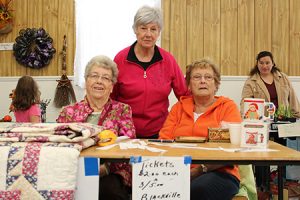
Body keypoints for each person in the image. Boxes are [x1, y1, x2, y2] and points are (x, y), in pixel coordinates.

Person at [159, 59, 241, 200]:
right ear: (189, 85)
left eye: (208, 77)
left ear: (216, 84)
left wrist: (199, 170)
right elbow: (164, 141)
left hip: (220, 173)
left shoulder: (227, 107)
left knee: (196, 189)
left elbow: (232, 150)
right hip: (177, 172)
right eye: (197, 77)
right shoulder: (178, 107)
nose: (202, 81)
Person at [56, 55, 136, 200]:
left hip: (111, 171)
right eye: (94, 76)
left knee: (108, 190)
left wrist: (106, 168)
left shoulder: (122, 110)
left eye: (106, 78)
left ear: (112, 86)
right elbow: (57, 145)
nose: (99, 81)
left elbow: (128, 145)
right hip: (73, 170)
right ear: (86, 81)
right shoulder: (68, 111)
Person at [111, 5, 188, 139]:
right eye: (143, 28)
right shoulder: (120, 59)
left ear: (159, 33)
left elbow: (185, 95)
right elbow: (111, 97)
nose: (148, 34)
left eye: (153, 29)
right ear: (135, 30)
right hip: (124, 132)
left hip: (160, 132)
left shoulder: (168, 60)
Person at [241, 50, 300, 118]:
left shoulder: (283, 78)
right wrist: (245, 117)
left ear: (273, 64)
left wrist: (297, 117)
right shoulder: (250, 82)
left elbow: (293, 100)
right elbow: (245, 103)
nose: (264, 66)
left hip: (284, 120)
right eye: (261, 63)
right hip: (262, 121)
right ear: (257, 64)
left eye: (267, 63)